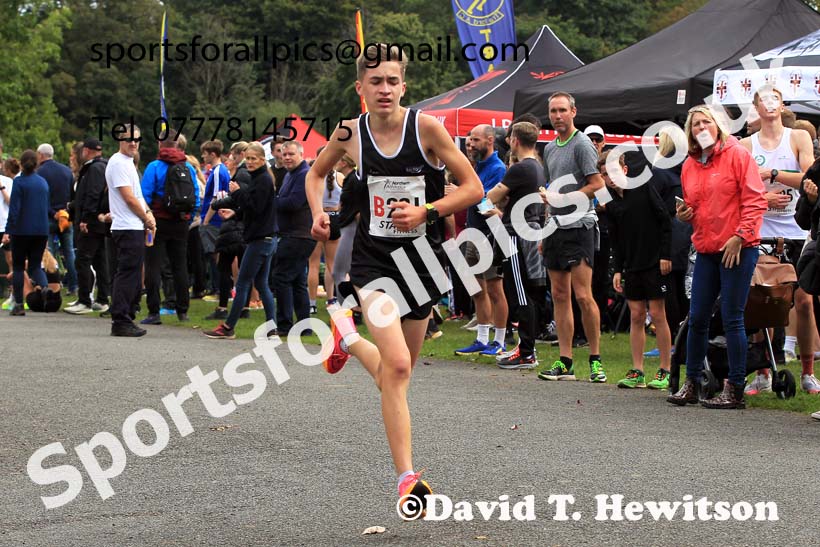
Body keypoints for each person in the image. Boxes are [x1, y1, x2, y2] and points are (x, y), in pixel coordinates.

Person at [306, 43, 483, 517]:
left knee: (393, 377)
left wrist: (427, 209)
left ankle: (344, 335)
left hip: (422, 264)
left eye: (392, 81)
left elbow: (473, 188)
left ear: (403, 86)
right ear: (360, 88)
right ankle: (407, 478)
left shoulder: (426, 128)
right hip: (373, 265)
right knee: (400, 367)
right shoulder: (349, 133)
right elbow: (316, 174)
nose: (384, 89)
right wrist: (317, 215)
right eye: (374, 81)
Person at [667, 105, 766, 409]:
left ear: (718, 125)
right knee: (696, 318)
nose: (701, 127)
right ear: (690, 132)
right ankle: (693, 382)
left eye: (705, 122)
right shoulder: (690, 165)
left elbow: (756, 199)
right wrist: (684, 215)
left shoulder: (738, 155)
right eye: (695, 124)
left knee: (732, 318)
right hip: (707, 249)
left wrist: (740, 236)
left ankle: (735, 387)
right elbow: (694, 210)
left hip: (738, 247)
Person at [739, 85, 818, 396]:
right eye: (763, 101)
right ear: (757, 108)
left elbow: (810, 177)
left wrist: (771, 172)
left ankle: (808, 371)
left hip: (797, 230)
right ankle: (763, 372)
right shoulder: (746, 144)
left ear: (782, 105)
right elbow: (742, 186)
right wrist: (763, 198)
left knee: (805, 302)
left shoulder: (796, 137)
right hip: (763, 230)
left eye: (774, 99)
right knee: (763, 302)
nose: (769, 105)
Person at [536, 92, 607, 383]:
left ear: (573, 112)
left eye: (562, 110)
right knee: (559, 295)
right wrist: (544, 228)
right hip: (555, 227)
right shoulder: (550, 148)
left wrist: (566, 198)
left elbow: (598, 185)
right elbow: (549, 194)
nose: (557, 116)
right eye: (553, 111)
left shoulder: (582, 145)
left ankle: (595, 360)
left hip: (580, 226)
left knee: (583, 295)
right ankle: (566, 361)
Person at [603, 151, 674, 389]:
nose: (610, 178)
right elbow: (615, 237)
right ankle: (638, 370)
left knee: (657, 312)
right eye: (605, 174)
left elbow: (665, 220)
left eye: (614, 171)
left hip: (654, 259)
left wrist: (665, 254)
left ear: (624, 170)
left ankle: (665, 369)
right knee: (636, 314)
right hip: (631, 264)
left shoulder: (642, 187)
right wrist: (617, 269)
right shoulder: (610, 200)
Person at [486, 121, 546, 368]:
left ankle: (527, 352)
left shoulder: (520, 169)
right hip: (530, 229)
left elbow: (490, 196)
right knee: (529, 291)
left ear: (514, 140)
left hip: (516, 234)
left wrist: (487, 207)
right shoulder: (538, 167)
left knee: (520, 293)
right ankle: (525, 347)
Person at [203, 142, 277, 339]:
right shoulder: (259, 179)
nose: (250, 162)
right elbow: (252, 208)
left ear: (262, 160)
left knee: (243, 282)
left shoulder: (262, 180)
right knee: (261, 284)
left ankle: (228, 327)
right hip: (266, 238)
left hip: (260, 239)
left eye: (254, 159)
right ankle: (272, 328)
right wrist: (235, 213)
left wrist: (236, 192)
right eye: (249, 158)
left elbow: (255, 207)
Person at [454, 124, 509, 357]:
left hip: (491, 236)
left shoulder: (498, 168)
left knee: (496, 290)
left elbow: (489, 205)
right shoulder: (477, 167)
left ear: (489, 140)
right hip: (473, 234)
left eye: (475, 140)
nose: (471, 145)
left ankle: (500, 340)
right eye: (469, 140)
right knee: (477, 290)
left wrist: (460, 195)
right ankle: (482, 338)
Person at [140, 131, 200, 324]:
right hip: (181, 221)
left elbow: (145, 195)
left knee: (153, 266)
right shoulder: (188, 167)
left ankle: (154, 311)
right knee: (179, 266)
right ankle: (183, 310)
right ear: (177, 144)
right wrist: (188, 218)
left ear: (160, 144)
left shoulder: (154, 166)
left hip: (158, 221)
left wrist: (147, 218)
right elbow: (196, 195)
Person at [106, 124, 155, 337]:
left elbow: (138, 195)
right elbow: (128, 197)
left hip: (134, 224)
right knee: (127, 274)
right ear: (120, 140)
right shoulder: (117, 163)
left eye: (136, 139)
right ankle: (120, 319)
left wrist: (149, 215)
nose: (133, 143)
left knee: (134, 274)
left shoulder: (129, 163)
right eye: (128, 139)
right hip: (126, 225)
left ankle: (127, 314)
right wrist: (145, 217)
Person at [272, 141, 315, 334]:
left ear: (300, 154)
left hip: (298, 235)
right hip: (296, 234)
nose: (287, 157)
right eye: (284, 154)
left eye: (291, 154)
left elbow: (294, 202)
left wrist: (271, 201)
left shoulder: (304, 174)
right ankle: (304, 327)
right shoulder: (292, 174)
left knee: (281, 278)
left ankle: (284, 325)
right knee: (297, 282)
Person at [3, 150, 51, 316]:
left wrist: (8, 230)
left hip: (22, 230)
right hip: (41, 230)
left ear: (22, 164)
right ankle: (44, 288)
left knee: (17, 267)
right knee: (35, 265)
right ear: (36, 164)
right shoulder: (43, 182)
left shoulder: (19, 182)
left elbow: (14, 209)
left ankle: (18, 304)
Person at [66, 138, 111, 314]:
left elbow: (92, 194)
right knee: (100, 260)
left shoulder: (93, 169)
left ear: (86, 150)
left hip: (91, 221)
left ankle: (85, 299)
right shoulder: (104, 166)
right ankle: (102, 298)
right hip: (99, 221)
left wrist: (85, 218)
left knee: (83, 259)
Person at [37, 143, 78, 294]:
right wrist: (65, 211)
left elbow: (41, 198)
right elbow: (73, 195)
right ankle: (74, 285)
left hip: (48, 217)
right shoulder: (67, 171)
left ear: (41, 155)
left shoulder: (40, 173)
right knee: (69, 252)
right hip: (65, 217)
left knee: (49, 253)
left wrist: (51, 212)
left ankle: (53, 285)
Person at [307, 145, 343, 313]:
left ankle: (312, 303)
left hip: (318, 218)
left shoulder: (314, 178)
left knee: (313, 265)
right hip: (335, 218)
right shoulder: (340, 177)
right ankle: (333, 299)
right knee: (333, 265)